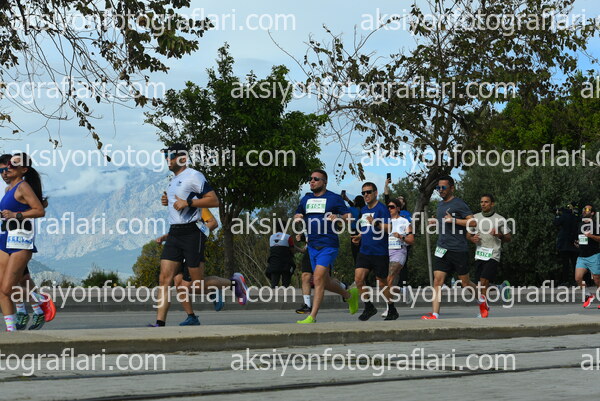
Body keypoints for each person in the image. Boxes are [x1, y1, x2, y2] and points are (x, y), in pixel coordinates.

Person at [151, 143, 248, 327]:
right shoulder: (172, 181)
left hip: (191, 234)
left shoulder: (194, 175)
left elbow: (214, 200)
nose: (167, 160)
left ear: (183, 158)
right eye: (165, 156)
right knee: (165, 280)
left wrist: (188, 203)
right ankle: (159, 324)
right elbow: (177, 208)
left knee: (196, 285)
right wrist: (167, 202)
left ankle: (234, 283)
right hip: (174, 233)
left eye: (171, 156)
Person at [294, 170, 359, 324]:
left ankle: (312, 316)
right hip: (312, 246)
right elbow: (298, 213)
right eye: (310, 179)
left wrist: (338, 217)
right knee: (325, 281)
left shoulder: (334, 198)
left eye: (316, 179)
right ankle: (349, 295)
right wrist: (297, 217)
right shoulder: (306, 199)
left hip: (328, 244)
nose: (312, 181)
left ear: (324, 182)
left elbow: (349, 217)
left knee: (317, 279)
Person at [0, 154, 55, 330]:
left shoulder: (23, 186)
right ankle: (12, 330)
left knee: (8, 288)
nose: (6, 170)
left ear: (23, 170)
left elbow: (39, 210)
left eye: (11, 166)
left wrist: (16, 215)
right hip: (5, 239)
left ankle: (40, 300)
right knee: (5, 288)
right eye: (4, 168)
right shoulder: (8, 190)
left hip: (20, 242)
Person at [421, 175, 479, 320]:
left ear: (452, 188)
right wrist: (436, 222)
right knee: (437, 281)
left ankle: (482, 300)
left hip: (458, 249)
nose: (440, 190)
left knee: (465, 283)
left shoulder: (459, 203)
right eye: (438, 187)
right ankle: (435, 314)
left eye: (443, 187)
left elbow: (473, 223)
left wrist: (454, 220)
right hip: (442, 248)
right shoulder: (440, 204)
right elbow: (445, 223)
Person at [352, 182, 396, 320]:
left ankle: (392, 308)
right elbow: (366, 228)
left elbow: (389, 228)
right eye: (363, 193)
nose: (366, 195)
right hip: (365, 251)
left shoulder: (382, 209)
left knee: (382, 283)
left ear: (375, 193)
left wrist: (375, 223)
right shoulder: (364, 210)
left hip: (379, 252)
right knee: (358, 279)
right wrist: (359, 236)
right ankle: (369, 307)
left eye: (368, 192)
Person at [169, 207, 220, 326]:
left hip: (192, 247)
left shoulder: (197, 206)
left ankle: (224, 287)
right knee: (178, 282)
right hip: (178, 248)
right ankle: (191, 317)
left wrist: (195, 235)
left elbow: (213, 223)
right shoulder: (175, 208)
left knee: (190, 285)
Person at [466, 194, 512, 318]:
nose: (483, 204)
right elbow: (468, 235)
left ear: (492, 204)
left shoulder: (500, 219)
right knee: (480, 285)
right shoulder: (475, 218)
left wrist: (499, 235)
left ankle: (484, 311)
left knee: (483, 281)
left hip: (493, 253)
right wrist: (472, 238)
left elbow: (508, 238)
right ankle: (500, 288)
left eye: (486, 202)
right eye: (481, 202)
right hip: (480, 254)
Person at [382, 198, 414, 318]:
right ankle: (403, 291)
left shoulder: (404, 222)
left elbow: (411, 240)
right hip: (385, 252)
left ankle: (389, 309)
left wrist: (401, 236)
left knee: (389, 279)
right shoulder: (385, 222)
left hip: (399, 251)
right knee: (383, 283)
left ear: (398, 209)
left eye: (392, 207)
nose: (389, 209)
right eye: (388, 207)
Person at [574, 204, 600, 308]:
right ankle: (588, 295)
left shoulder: (596, 225)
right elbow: (581, 238)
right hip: (582, 256)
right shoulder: (580, 224)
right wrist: (577, 243)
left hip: (594, 256)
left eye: (587, 209)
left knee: (597, 280)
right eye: (584, 209)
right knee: (578, 278)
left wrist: (591, 236)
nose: (584, 210)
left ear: (592, 213)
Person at [266, 222, 302, 288]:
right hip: (285, 264)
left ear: (276, 228)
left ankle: (273, 293)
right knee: (285, 284)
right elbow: (292, 249)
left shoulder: (271, 237)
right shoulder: (288, 237)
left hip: (274, 263)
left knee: (274, 285)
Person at [553, 203, 580, 286]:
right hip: (574, 242)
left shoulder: (563, 216)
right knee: (575, 263)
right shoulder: (575, 217)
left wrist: (557, 214)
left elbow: (556, 223)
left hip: (564, 243)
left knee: (565, 263)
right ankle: (576, 281)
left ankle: (566, 281)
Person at [342, 193, 365, 264]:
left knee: (356, 254)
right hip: (363, 232)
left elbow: (343, 209)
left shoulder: (351, 210)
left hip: (354, 232)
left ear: (355, 202)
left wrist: (342, 199)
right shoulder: (365, 209)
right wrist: (347, 200)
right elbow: (354, 206)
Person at [294, 233, 312, 314]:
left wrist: (303, 238)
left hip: (322, 249)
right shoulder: (306, 229)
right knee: (305, 276)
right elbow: (304, 250)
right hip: (310, 250)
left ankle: (343, 287)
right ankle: (307, 305)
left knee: (325, 280)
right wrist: (294, 246)